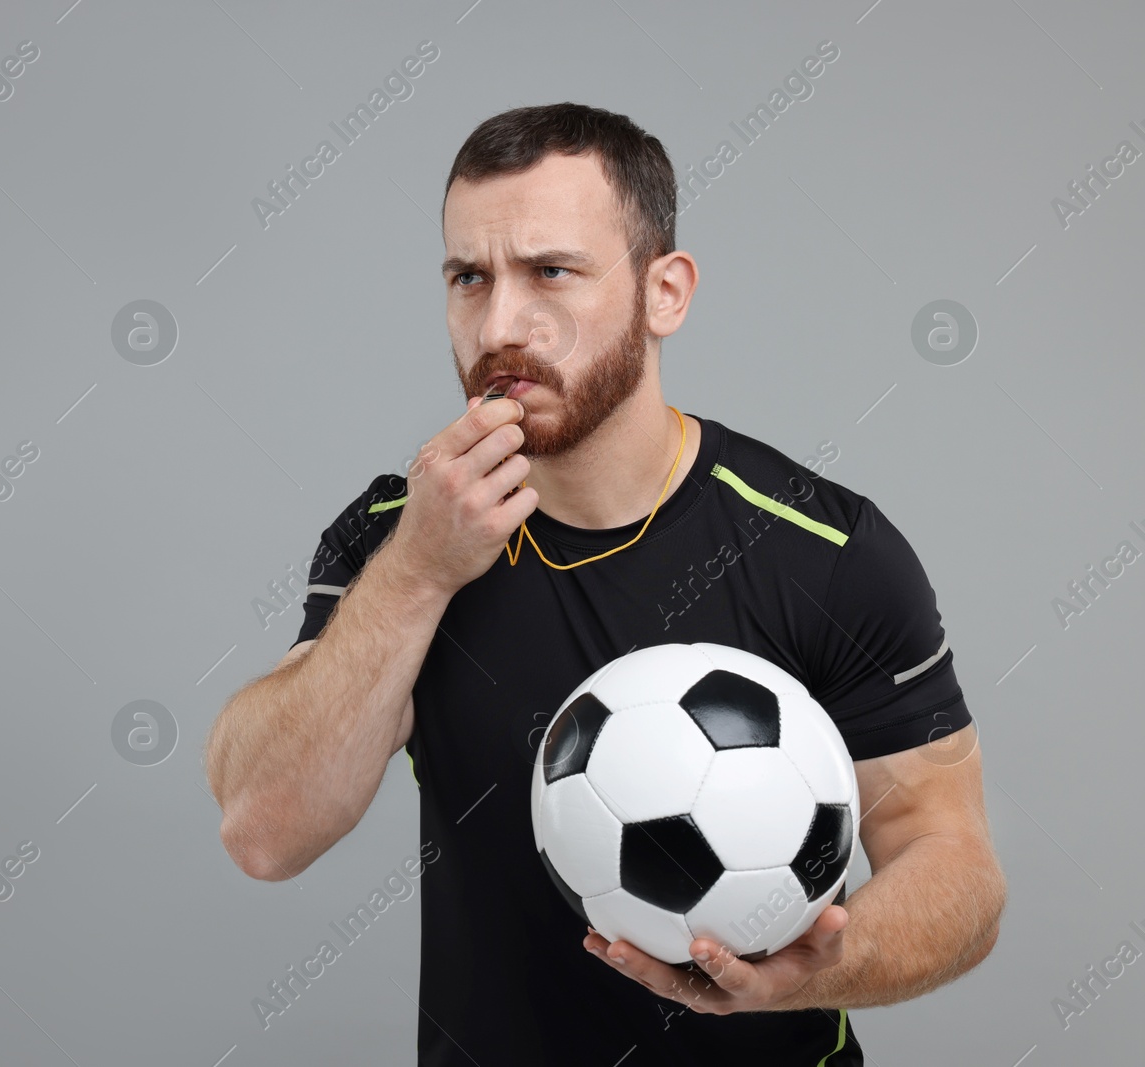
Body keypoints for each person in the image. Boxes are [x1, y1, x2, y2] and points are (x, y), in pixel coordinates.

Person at [203, 102, 1005, 1065]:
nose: (500, 324)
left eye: (551, 271)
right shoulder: (396, 535)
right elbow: (262, 829)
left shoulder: (824, 549)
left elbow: (954, 861)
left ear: (665, 291)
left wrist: (820, 969)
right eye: (469, 277)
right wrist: (418, 570)